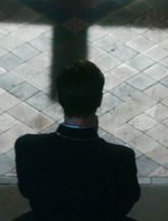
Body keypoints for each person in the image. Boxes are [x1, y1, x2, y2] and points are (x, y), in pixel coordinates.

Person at [14, 60, 141, 221]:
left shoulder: (28, 147)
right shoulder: (121, 157)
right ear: (99, 100)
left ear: (59, 97)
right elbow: (125, 203)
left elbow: (27, 190)